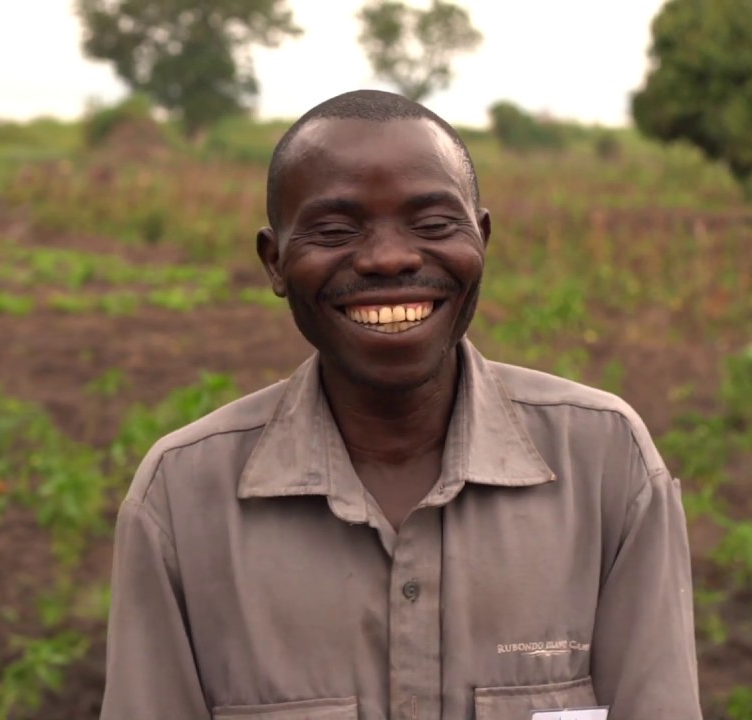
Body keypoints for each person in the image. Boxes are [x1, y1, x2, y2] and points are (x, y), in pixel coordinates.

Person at [99, 89, 701, 720]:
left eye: (434, 224)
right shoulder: (183, 497)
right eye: (334, 230)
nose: (389, 257)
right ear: (274, 263)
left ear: (482, 239)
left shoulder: (604, 462)